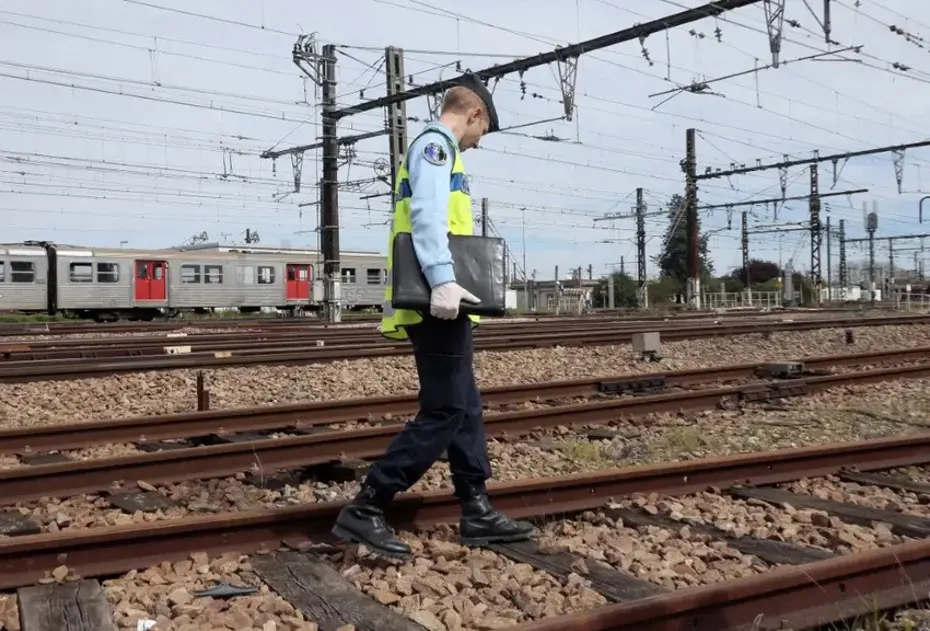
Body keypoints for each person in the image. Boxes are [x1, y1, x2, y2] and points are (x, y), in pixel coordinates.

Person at [332, 73, 535, 559]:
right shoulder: (435, 147)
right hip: (437, 298)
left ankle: (476, 507)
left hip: (449, 298)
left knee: (465, 406)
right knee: (445, 408)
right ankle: (369, 504)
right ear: (475, 114)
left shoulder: (445, 149)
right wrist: (443, 279)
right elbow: (427, 215)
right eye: (482, 132)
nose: (479, 142)